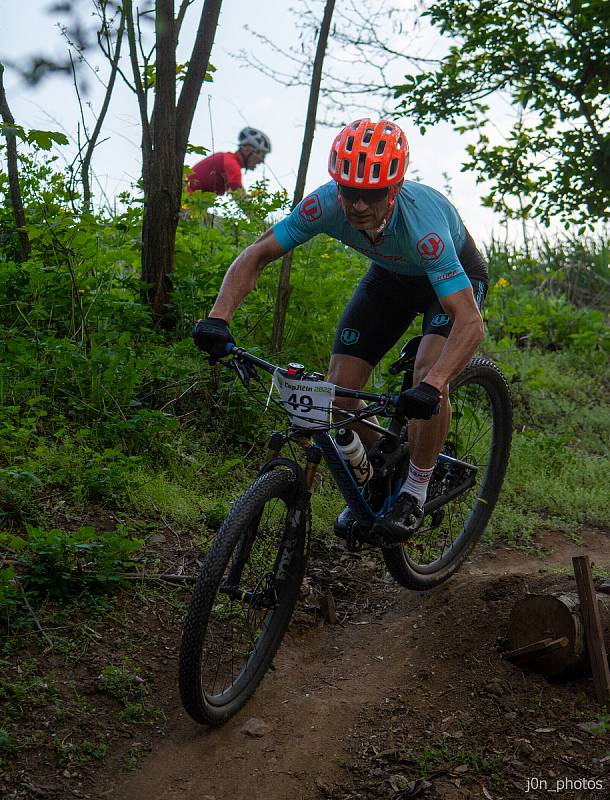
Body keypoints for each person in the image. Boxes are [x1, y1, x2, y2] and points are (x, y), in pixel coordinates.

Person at [192, 118, 488, 542]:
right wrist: (218, 318)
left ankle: (416, 490)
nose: (358, 206)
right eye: (350, 192)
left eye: (372, 194)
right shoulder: (326, 204)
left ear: (395, 188)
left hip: (451, 281)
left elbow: (469, 323)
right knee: (340, 395)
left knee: (427, 372)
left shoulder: (425, 231)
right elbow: (258, 253)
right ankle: (381, 476)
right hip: (389, 277)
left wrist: (435, 382)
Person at [186, 127, 272, 196]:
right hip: (185, 202)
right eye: (261, 156)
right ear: (247, 150)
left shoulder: (225, 157)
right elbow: (242, 201)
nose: (261, 161)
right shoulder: (232, 165)